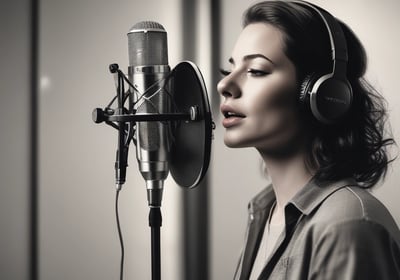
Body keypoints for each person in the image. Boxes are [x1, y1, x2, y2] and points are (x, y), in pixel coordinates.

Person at [217, 1, 400, 279]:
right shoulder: (263, 213)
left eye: (256, 70)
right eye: (228, 70)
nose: (224, 85)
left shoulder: (347, 225)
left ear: (323, 94)